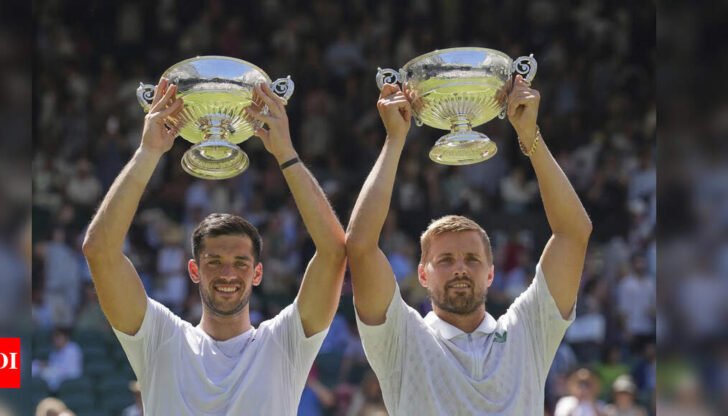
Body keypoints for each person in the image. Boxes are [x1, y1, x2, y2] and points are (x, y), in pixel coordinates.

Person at [82, 79, 346, 414]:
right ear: (193, 270)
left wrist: (286, 153)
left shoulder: (284, 343)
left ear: (258, 273)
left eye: (240, 262)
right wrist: (148, 153)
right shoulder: (161, 339)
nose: (227, 273)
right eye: (214, 261)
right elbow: (99, 251)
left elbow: (334, 253)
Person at [344, 75, 592, 414]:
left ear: (491, 274)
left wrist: (529, 135)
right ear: (422, 275)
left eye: (472, 259)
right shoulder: (402, 339)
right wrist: (394, 140)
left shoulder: (527, 332)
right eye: (445, 259)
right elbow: (360, 245)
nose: (460, 267)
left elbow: (574, 233)